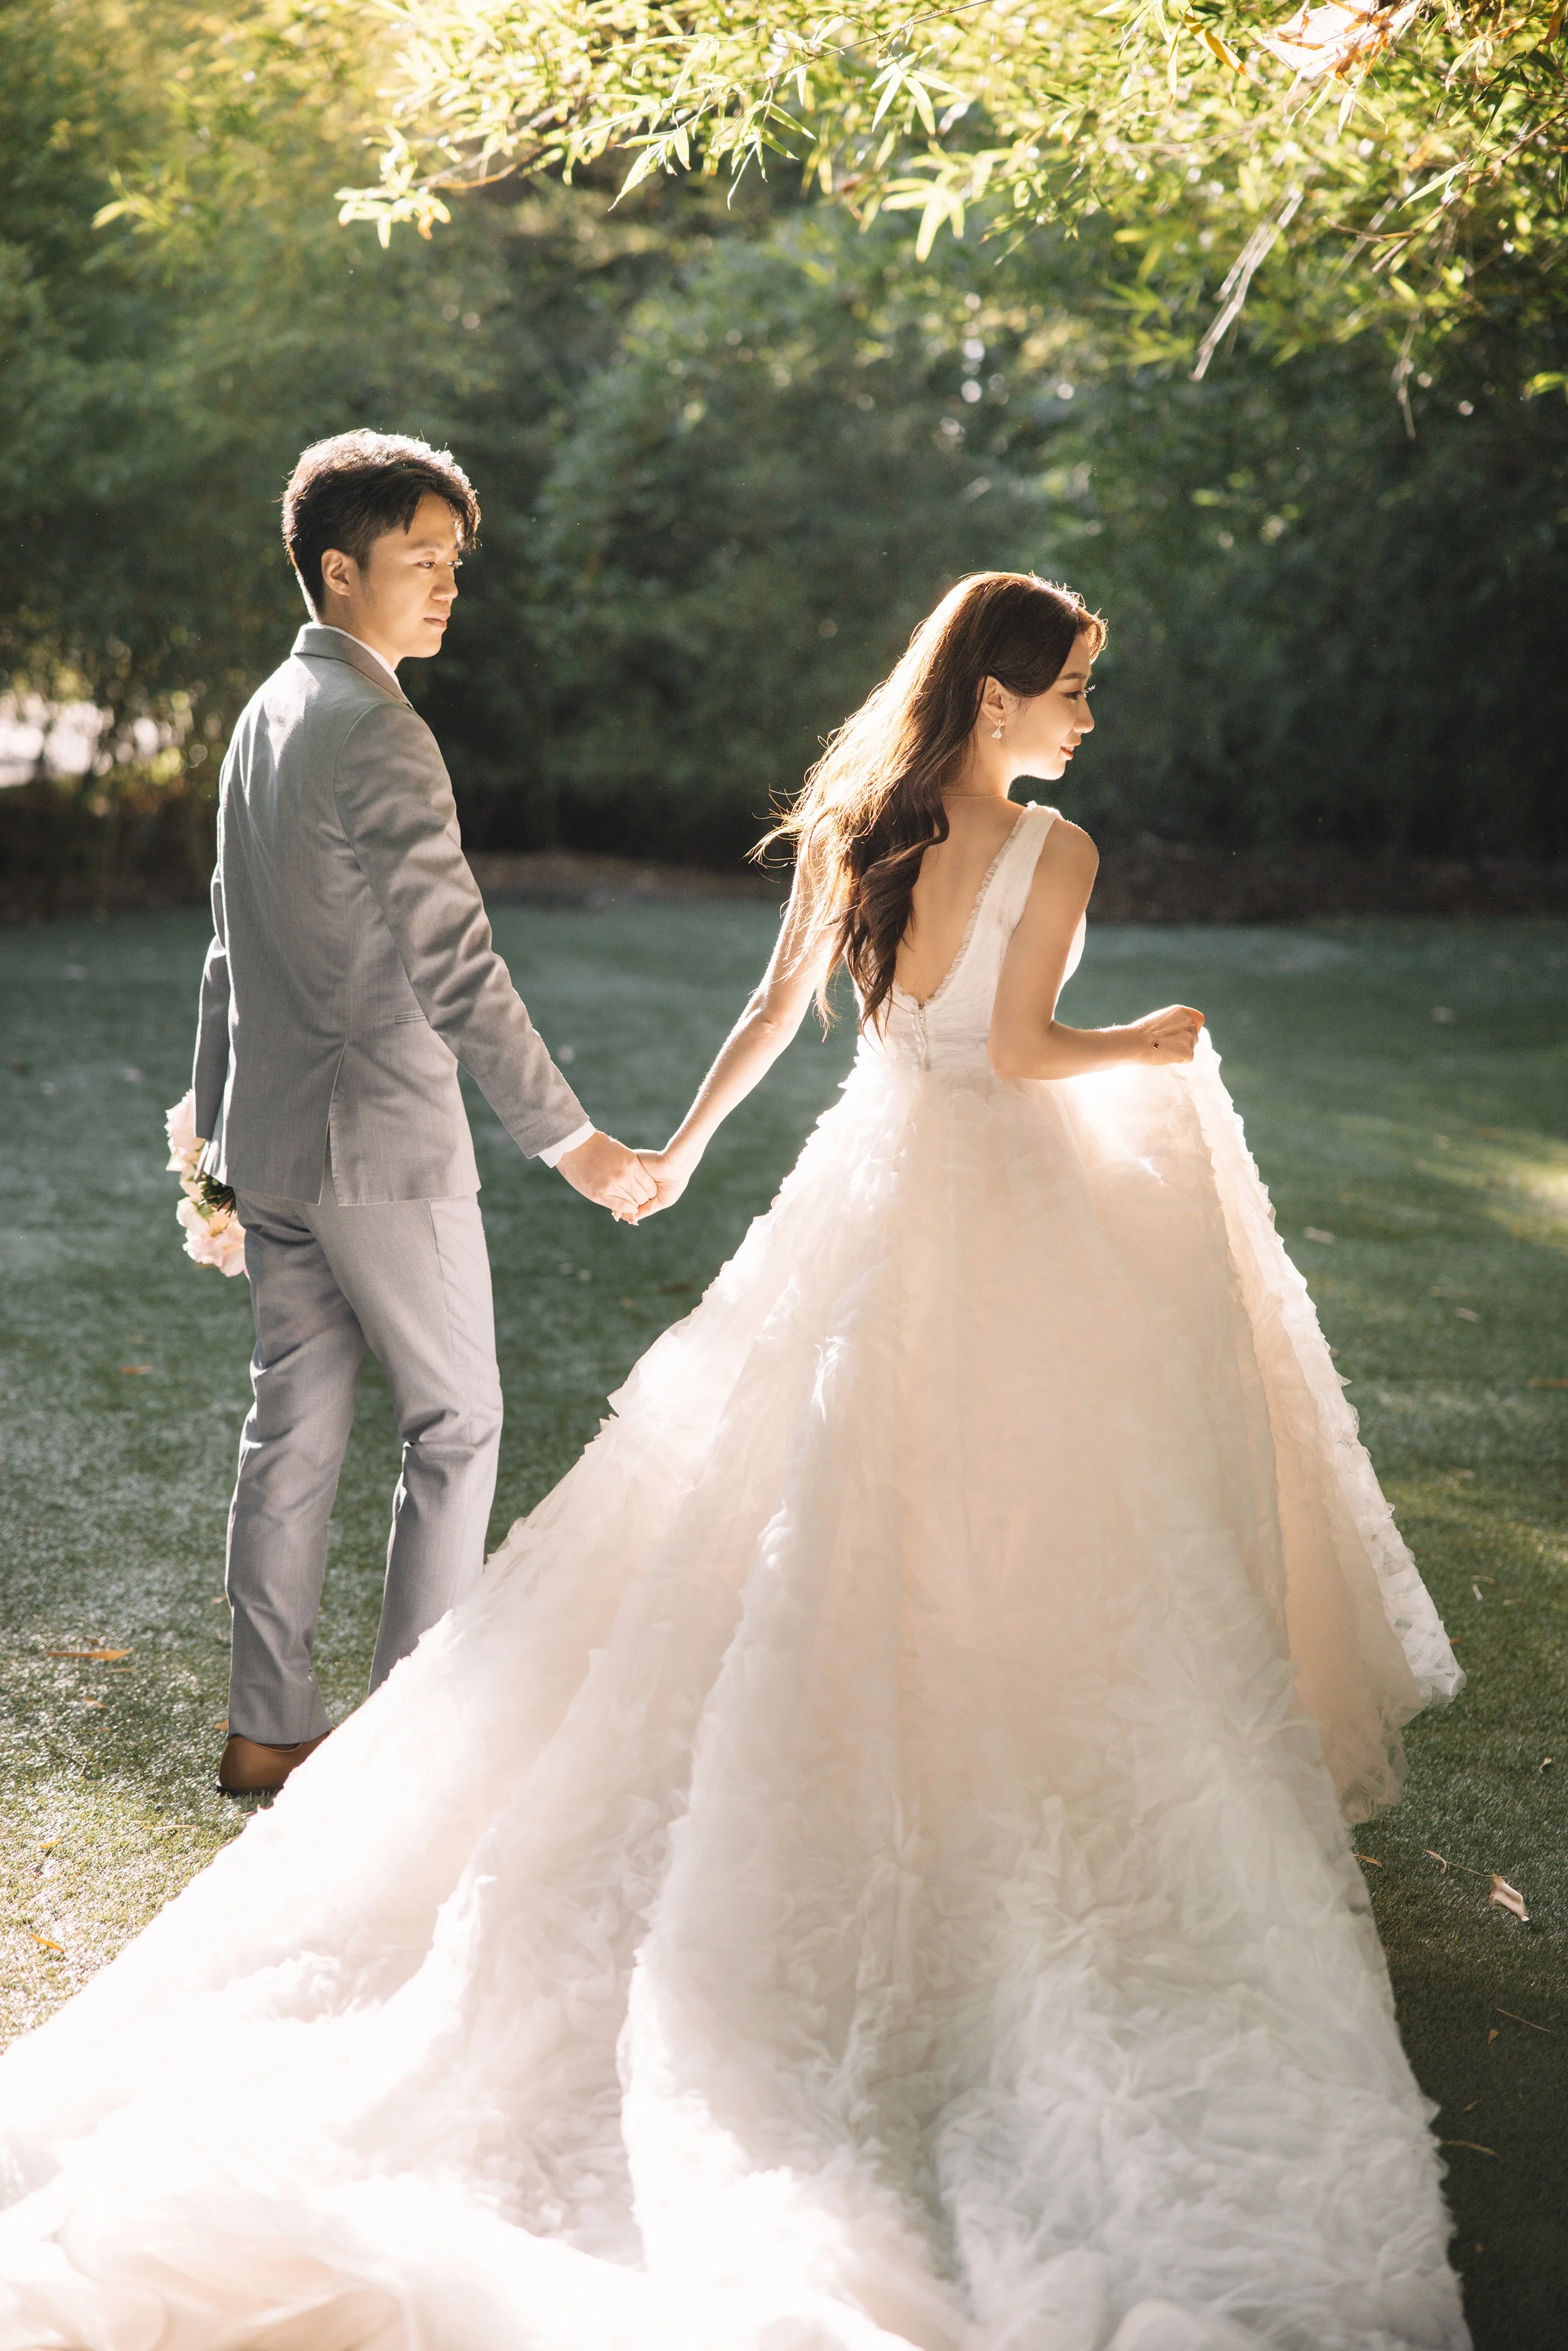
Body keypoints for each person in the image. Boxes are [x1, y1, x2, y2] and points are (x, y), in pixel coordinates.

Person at [0, 573, 1467, 2351]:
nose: (1086, 715)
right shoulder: (1052, 856)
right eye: (1070, 688)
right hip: (994, 1205)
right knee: (1028, 1509)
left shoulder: (856, 830)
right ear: (995, 698)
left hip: (863, 1197)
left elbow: (778, 1015)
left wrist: (678, 1152)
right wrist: (1147, 1041)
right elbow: (1016, 1058)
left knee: (773, 1499)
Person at [191, 429, 655, 1797]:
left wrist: (214, 1139)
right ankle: (402, 1757)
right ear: (340, 571)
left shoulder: (268, 709)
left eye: (457, 560)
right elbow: (454, 961)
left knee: (292, 1428)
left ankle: (269, 1726)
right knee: (455, 1425)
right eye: (422, 559)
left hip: (273, 1142)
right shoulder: (376, 728)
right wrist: (571, 1140)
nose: (449, 585)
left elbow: (223, 945)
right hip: (378, 1147)